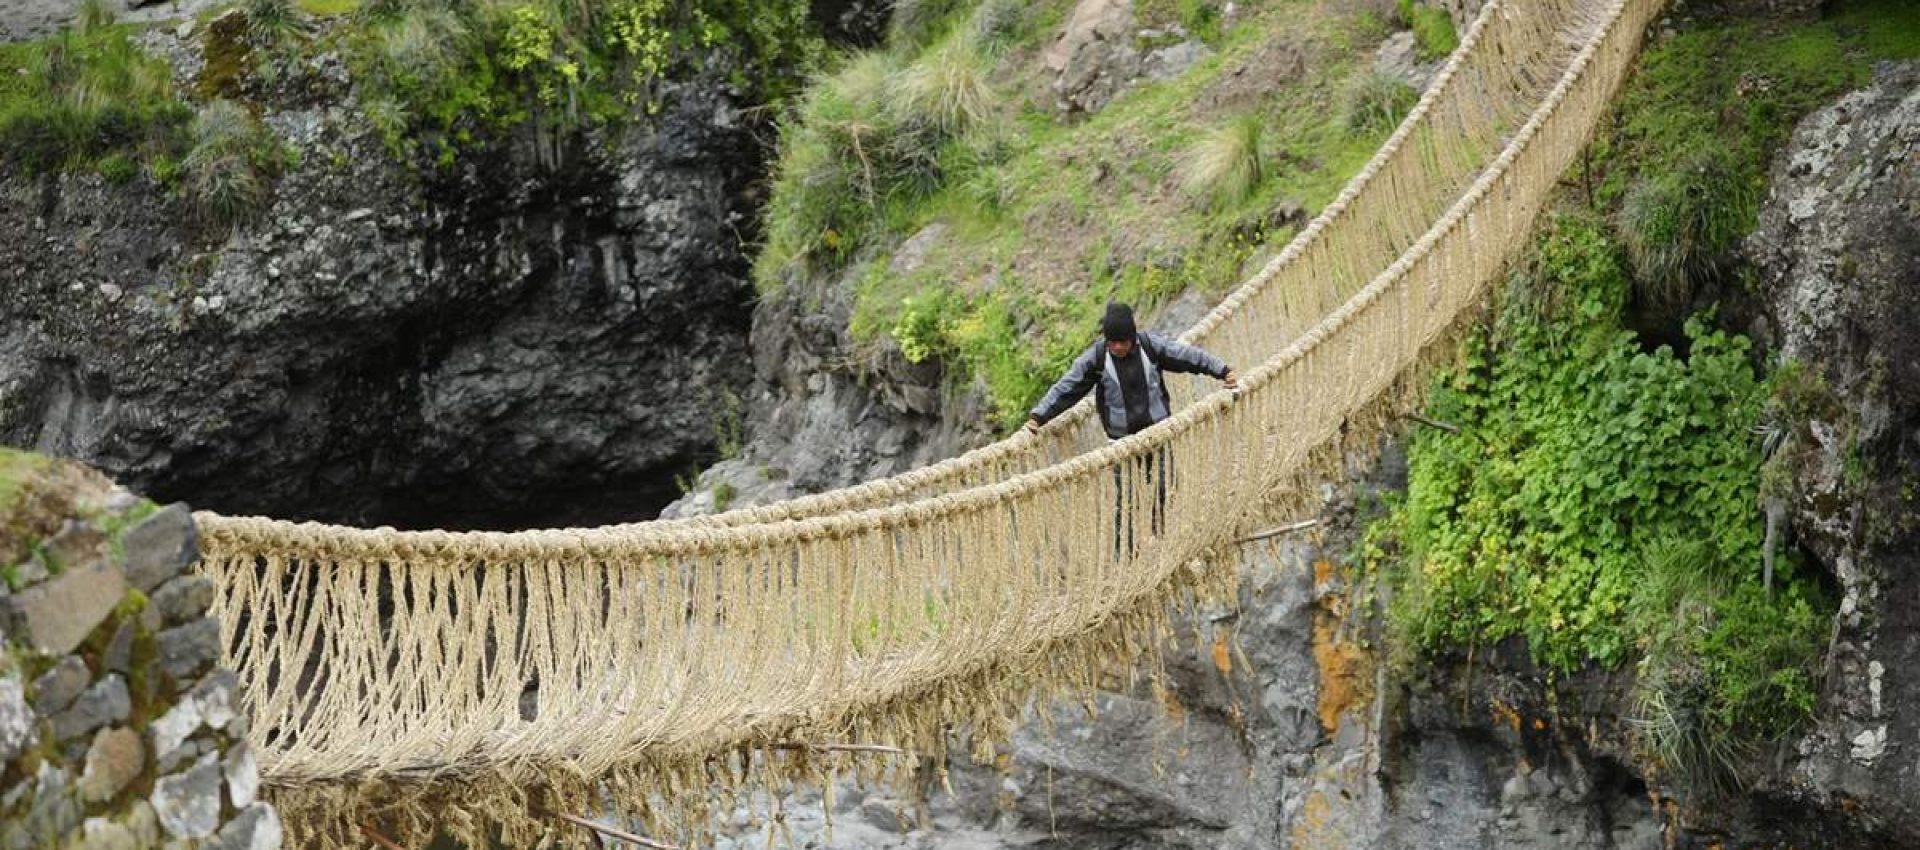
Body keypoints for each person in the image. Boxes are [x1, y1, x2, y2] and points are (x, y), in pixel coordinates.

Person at [1023, 303, 1238, 554]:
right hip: (1122, 445)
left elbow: (1187, 356)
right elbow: (1067, 388)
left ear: (1133, 337)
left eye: (1122, 342)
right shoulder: (1097, 358)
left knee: (1165, 487)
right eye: (1112, 342)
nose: (1117, 347)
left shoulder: (1150, 347)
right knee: (1125, 501)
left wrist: (1222, 370)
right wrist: (1039, 416)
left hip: (1158, 435)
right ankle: (1125, 556)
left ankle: (1162, 541)